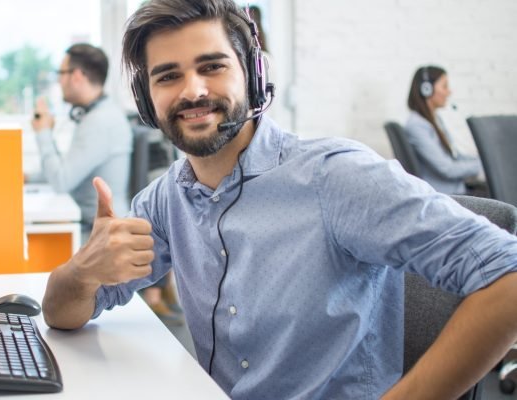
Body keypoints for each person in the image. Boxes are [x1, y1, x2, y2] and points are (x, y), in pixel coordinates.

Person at [42, 1, 517, 399]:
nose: (193, 90)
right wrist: (83, 272)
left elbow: (509, 276)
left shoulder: (335, 177)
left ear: (252, 73)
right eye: (168, 76)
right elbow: (62, 314)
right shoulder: (167, 199)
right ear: (148, 102)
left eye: (212, 66)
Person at [29, 43, 133, 237]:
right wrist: (29, 178)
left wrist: (43, 132)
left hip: (101, 235)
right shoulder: (98, 114)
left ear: (76, 76)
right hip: (94, 227)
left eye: (60, 73)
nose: (59, 81)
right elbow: (70, 170)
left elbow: (61, 181)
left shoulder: (100, 122)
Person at [405, 65, 484, 195]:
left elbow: (453, 157)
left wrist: (480, 161)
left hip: (455, 189)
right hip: (448, 194)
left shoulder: (432, 119)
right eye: (445, 86)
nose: (449, 92)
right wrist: (481, 166)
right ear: (426, 90)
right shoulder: (417, 125)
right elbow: (447, 168)